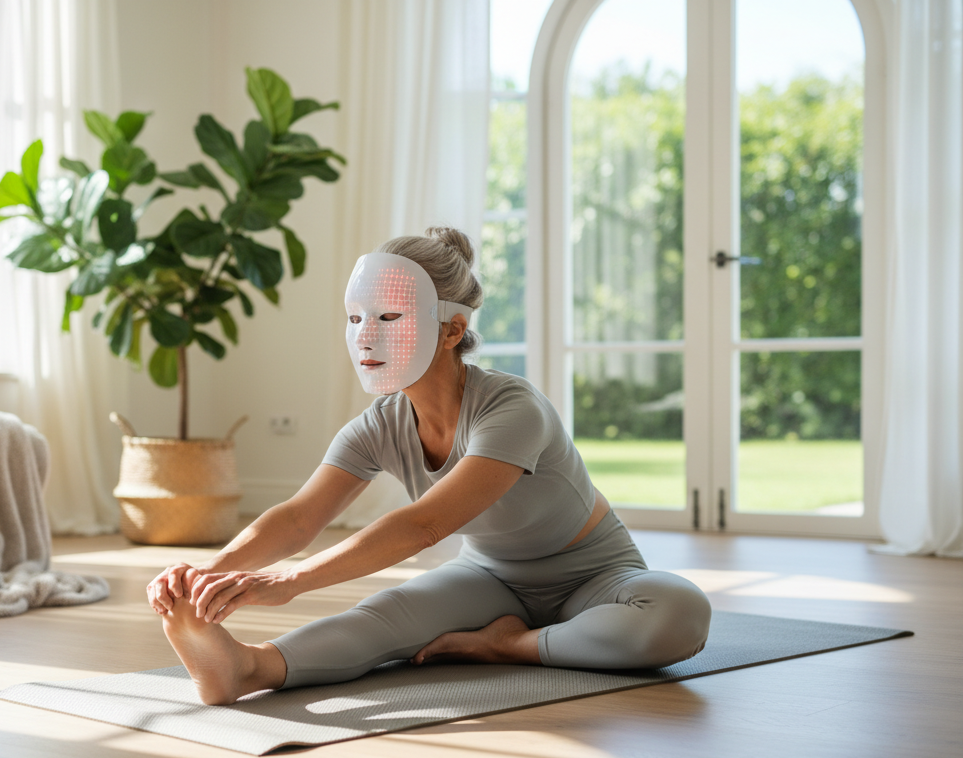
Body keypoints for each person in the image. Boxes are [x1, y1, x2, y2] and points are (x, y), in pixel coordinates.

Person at [146, 227, 711, 706]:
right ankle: (250, 668)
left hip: (594, 575)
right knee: (383, 617)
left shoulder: (513, 408)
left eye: (390, 316)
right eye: (355, 317)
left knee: (678, 611)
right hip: (491, 579)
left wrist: (291, 580)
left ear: (452, 330)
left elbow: (424, 525)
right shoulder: (380, 425)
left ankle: (506, 645)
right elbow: (298, 518)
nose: (366, 335)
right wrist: (206, 575)